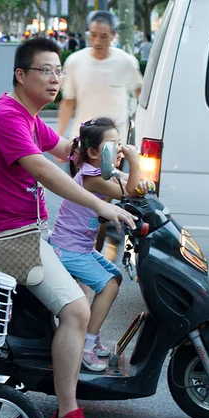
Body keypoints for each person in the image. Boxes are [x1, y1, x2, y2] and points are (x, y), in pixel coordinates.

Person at [0, 37, 136, 418]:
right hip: (10, 236)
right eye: (46, 70)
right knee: (77, 309)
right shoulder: (8, 116)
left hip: (30, 230)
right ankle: (67, 414)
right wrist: (102, 202)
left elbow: (69, 153)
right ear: (21, 75)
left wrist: (112, 151)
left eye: (59, 70)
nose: (55, 78)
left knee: (84, 291)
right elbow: (47, 170)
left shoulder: (29, 116)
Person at [49, 118, 152, 372]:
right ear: (94, 152)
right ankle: (86, 345)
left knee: (114, 278)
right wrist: (136, 161)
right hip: (69, 249)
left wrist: (143, 182)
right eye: (112, 146)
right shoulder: (91, 176)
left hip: (80, 247)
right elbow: (127, 191)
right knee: (107, 286)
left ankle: (91, 338)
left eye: (120, 144)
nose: (119, 150)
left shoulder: (105, 172)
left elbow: (131, 183)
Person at [57, 11, 143, 143]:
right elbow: (68, 101)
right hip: (83, 139)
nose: (97, 42)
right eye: (93, 35)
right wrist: (60, 137)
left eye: (103, 36)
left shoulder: (126, 62)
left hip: (115, 142)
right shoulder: (74, 62)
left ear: (113, 35)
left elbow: (141, 97)